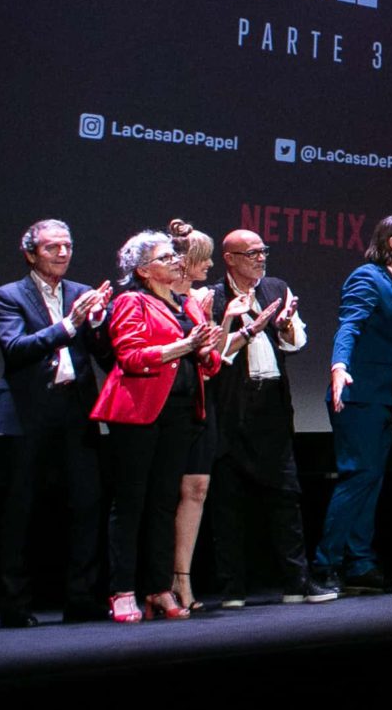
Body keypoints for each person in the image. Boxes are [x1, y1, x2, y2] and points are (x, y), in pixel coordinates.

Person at [0, 217, 114, 627]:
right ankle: (14, 604)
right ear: (30, 254)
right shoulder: (8, 296)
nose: (62, 253)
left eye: (67, 246)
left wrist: (97, 325)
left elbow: (104, 356)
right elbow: (15, 348)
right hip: (29, 412)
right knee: (22, 508)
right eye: (52, 247)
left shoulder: (81, 293)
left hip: (77, 409)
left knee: (88, 504)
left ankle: (81, 598)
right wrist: (70, 324)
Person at [92, 229, 223, 623]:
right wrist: (183, 346)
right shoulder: (131, 301)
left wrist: (207, 349)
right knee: (131, 502)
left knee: (164, 503)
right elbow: (130, 356)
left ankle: (158, 588)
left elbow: (209, 364)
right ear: (144, 270)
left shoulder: (187, 304)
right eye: (165, 257)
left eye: (174, 256)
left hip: (181, 411)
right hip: (140, 411)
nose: (176, 262)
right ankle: (122, 590)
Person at [203, 228, 331, 607]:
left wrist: (286, 324)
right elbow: (215, 354)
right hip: (232, 404)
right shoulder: (212, 297)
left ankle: (298, 583)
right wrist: (248, 328)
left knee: (286, 496)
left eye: (264, 251)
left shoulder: (276, 288)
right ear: (230, 259)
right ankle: (232, 589)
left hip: (272, 402)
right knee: (228, 500)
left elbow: (297, 342)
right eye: (252, 253)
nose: (261, 259)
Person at [316, 213, 392, 592]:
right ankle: (325, 563)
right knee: (358, 476)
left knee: (371, 479)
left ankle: (360, 562)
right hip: (357, 395)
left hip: (379, 397)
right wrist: (339, 366)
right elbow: (350, 324)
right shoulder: (367, 277)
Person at [167, 220, 219, 611]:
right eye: (204, 258)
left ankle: (182, 577)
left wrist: (225, 322)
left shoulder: (198, 300)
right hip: (168, 402)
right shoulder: (162, 298)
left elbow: (213, 357)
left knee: (197, 487)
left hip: (200, 398)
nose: (210, 265)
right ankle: (158, 580)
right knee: (164, 492)